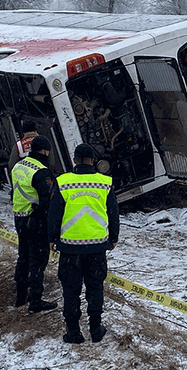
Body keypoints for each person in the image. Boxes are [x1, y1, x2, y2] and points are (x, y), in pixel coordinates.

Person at [48, 143, 120, 344]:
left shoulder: (63, 182)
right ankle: (96, 330)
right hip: (97, 247)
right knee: (95, 288)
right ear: (94, 161)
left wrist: (52, 238)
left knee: (70, 290)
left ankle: (73, 332)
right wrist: (113, 238)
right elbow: (113, 213)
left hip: (70, 248)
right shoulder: (105, 182)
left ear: (74, 160)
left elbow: (54, 214)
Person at [10, 135, 58, 314]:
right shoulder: (41, 171)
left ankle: (20, 296)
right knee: (38, 260)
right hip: (35, 220)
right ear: (45, 151)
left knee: (23, 256)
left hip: (19, 217)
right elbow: (47, 202)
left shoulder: (19, 166)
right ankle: (36, 300)